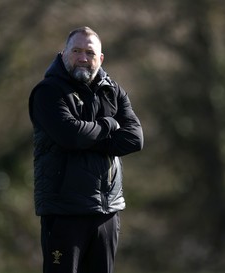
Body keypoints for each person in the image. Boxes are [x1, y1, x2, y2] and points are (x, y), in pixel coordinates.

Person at [28, 26, 144, 273]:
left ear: (100, 59)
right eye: (76, 51)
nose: (83, 57)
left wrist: (88, 136)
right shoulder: (47, 92)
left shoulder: (113, 91)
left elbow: (135, 139)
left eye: (90, 52)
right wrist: (109, 125)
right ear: (63, 54)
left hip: (107, 213)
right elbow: (70, 136)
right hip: (63, 213)